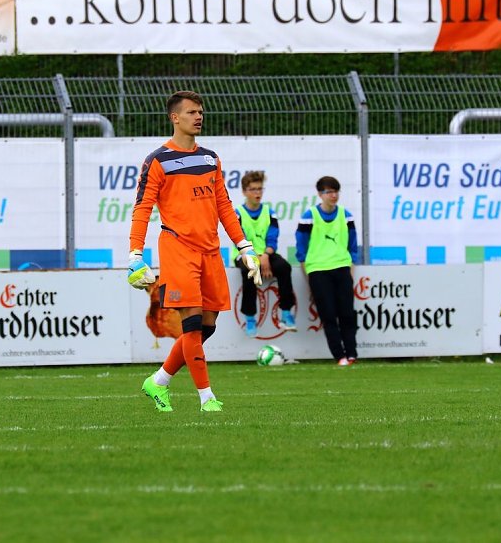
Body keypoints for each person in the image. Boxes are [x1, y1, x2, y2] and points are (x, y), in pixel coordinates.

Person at [127, 90, 262, 413]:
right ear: (175, 118)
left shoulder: (210, 159)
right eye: (191, 112)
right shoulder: (157, 160)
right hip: (178, 250)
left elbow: (224, 207)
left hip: (210, 251)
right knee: (191, 323)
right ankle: (206, 398)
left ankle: (158, 381)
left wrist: (244, 246)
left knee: (207, 326)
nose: (198, 116)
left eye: (200, 111)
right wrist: (135, 254)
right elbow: (142, 208)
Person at [295, 176, 359, 366]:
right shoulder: (309, 217)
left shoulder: (346, 215)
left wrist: (350, 269)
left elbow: (353, 246)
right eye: (329, 192)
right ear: (320, 194)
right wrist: (309, 277)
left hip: (341, 267)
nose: (333, 195)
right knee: (328, 314)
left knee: (347, 313)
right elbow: (302, 250)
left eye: (336, 191)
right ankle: (339, 355)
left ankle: (352, 353)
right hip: (318, 270)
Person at [231, 170, 297, 338]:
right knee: (250, 271)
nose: (257, 193)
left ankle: (286, 313)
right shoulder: (237, 213)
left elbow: (273, 239)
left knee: (284, 267)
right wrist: (258, 258)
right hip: (244, 253)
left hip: (265, 254)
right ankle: (250, 318)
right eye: (253, 189)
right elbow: (240, 240)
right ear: (245, 191)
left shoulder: (269, 212)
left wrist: (265, 255)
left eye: (260, 189)